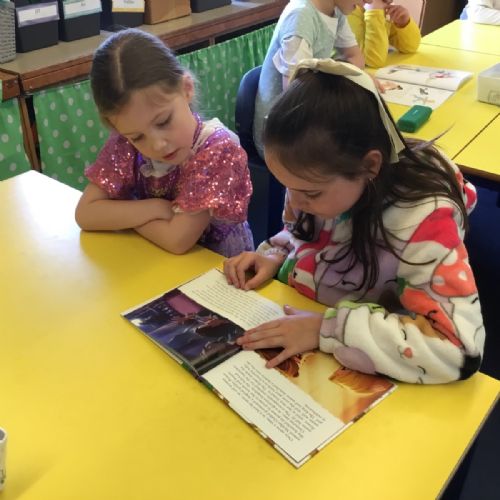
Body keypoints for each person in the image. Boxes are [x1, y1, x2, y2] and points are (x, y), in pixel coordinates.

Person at [225, 58, 485, 384]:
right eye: (287, 186)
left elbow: (459, 351)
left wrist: (327, 329)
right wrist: (276, 254)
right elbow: (300, 233)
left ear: (370, 166)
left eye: (310, 193)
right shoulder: (321, 184)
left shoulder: (422, 223)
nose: (294, 204)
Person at [75, 29, 254, 258]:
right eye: (137, 137)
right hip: (157, 261)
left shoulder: (218, 149)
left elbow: (176, 240)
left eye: (163, 121)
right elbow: (85, 214)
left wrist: (122, 216)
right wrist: (155, 208)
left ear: (186, 89)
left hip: (216, 267)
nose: (157, 145)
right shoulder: (126, 141)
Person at [253, 0, 369, 157]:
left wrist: (352, 74)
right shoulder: (300, 16)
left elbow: (356, 57)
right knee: (357, 151)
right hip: (282, 135)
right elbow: (295, 95)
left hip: (311, 112)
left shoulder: (336, 11)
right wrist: (343, 72)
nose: (369, 1)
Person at [348, 1, 421, 68]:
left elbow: (411, 47)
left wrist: (404, 22)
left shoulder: (382, 5)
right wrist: (374, 11)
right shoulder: (350, 8)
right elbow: (373, 61)